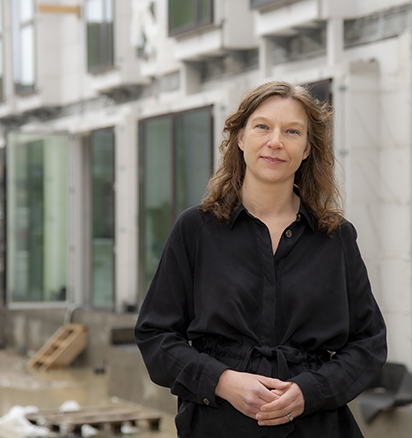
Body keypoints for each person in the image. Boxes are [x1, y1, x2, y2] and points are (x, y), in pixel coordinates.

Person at [135, 80, 387, 437]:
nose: (276, 142)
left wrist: (310, 391)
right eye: (263, 127)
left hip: (316, 427)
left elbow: (369, 343)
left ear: (307, 149)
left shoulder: (336, 237)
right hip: (218, 426)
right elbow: (155, 335)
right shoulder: (196, 230)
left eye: (292, 131)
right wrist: (222, 381)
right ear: (241, 138)